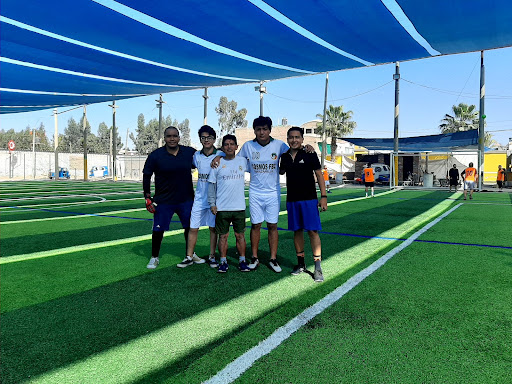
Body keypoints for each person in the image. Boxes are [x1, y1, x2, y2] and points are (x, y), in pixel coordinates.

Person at [143, 126, 203, 269]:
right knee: (158, 229)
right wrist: (147, 197)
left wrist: (218, 156)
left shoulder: (189, 152)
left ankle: (190, 254)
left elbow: (206, 156)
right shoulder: (156, 155)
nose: (172, 139)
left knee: (190, 227)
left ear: (179, 137)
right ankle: (154, 257)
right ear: (164, 138)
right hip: (164, 201)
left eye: (175, 136)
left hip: (186, 199)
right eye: (169, 136)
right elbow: (146, 175)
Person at [280, 127, 327, 282]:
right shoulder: (285, 157)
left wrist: (324, 196)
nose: (294, 140)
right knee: (297, 231)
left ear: (302, 139)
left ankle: (318, 267)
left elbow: (319, 175)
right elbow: (279, 172)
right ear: (287, 139)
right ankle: (301, 264)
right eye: (291, 137)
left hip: (309, 199)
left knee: (313, 232)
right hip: (292, 200)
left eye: (297, 137)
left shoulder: (310, 153)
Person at [207, 135, 250, 273]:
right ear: (223, 147)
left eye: (232, 144)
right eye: (226, 144)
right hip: (222, 208)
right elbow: (211, 185)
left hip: (239, 208)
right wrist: (212, 203)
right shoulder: (217, 163)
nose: (229, 146)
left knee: (240, 236)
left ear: (237, 147)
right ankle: (223, 261)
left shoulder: (243, 161)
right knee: (223, 236)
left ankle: (242, 260)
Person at [184, 125, 224, 268]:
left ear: (214, 139)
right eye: (203, 137)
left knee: (213, 229)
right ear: (200, 139)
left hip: (215, 200)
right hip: (200, 199)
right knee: (193, 227)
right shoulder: (196, 156)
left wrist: (219, 156)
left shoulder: (221, 154)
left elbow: (229, 154)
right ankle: (189, 256)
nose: (206, 140)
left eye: (209, 137)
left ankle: (212, 256)